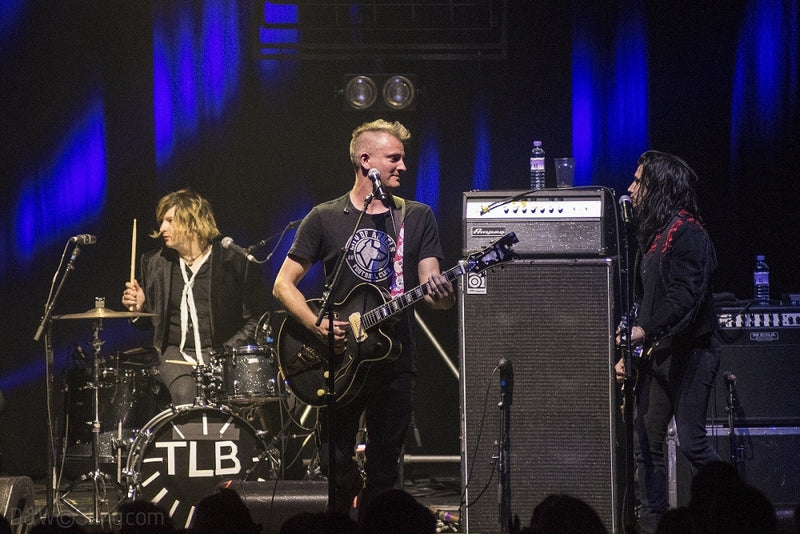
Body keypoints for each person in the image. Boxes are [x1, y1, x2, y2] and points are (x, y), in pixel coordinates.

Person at [272, 119, 455, 519]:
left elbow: (430, 285)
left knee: (384, 470)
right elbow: (283, 285)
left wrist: (441, 295)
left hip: (393, 357)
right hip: (339, 358)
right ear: (365, 161)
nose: (403, 166)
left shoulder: (416, 216)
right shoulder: (325, 216)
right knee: (333, 460)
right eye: (394, 158)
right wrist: (316, 324)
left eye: (403, 159)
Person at [614, 150, 721, 533]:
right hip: (658, 355)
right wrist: (631, 345)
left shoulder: (688, 232)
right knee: (647, 443)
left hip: (691, 354)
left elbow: (683, 297)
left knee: (692, 442)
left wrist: (644, 330)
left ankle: (734, 506)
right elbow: (648, 301)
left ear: (659, 187)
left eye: (638, 181)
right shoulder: (656, 235)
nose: (631, 188)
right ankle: (652, 525)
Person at [122, 188, 270, 406]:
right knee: (185, 391)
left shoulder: (232, 261)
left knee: (245, 399)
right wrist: (139, 309)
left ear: (192, 222)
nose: (162, 229)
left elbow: (255, 320)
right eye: (162, 222)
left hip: (222, 353)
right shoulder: (155, 263)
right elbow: (149, 322)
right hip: (175, 355)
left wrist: (225, 353)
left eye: (169, 221)